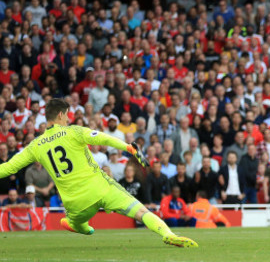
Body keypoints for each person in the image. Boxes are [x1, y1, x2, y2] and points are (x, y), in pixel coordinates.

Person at [0, 98, 197, 247]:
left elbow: (8, 167)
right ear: (60, 115)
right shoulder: (74, 131)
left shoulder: (35, 145)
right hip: (100, 189)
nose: (68, 118)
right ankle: (167, 234)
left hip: (74, 203)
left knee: (77, 222)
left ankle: (76, 224)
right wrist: (128, 148)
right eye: (67, 114)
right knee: (141, 211)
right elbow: (103, 138)